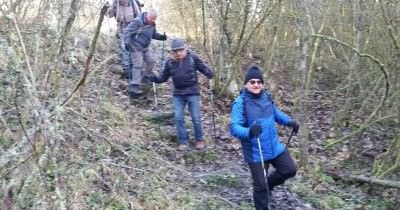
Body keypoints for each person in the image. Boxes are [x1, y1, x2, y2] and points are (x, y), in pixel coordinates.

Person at [229, 65, 300, 210]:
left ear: (262, 84)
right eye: (252, 82)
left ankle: (270, 184)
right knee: (260, 187)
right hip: (256, 153)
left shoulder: (266, 97)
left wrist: (289, 121)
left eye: (259, 82)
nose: (256, 84)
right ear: (246, 84)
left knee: (290, 169)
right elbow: (234, 127)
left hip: (274, 147)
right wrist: (249, 131)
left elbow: (275, 113)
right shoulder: (240, 103)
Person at [149, 38, 214, 150]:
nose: (178, 53)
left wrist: (209, 73)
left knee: (196, 117)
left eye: (180, 50)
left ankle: (199, 140)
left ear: (185, 49)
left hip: (192, 92)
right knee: (178, 117)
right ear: (172, 52)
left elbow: (203, 68)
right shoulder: (170, 63)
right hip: (178, 94)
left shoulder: (193, 58)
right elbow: (163, 77)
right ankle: (183, 142)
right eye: (175, 51)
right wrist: (154, 78)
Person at [123, 9, 167, 97]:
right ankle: (134, 87)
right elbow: (127, 31)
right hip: (135, 46)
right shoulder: (137, 21)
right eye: (151, 18)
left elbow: (153, 35)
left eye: (154, 19)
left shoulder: (152, 25)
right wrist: (127, 42)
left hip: (145, 47)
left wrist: (161, 37)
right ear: (147, 15)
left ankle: (145, 77)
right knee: (138, 64)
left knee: (151, 61)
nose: (153, 21)